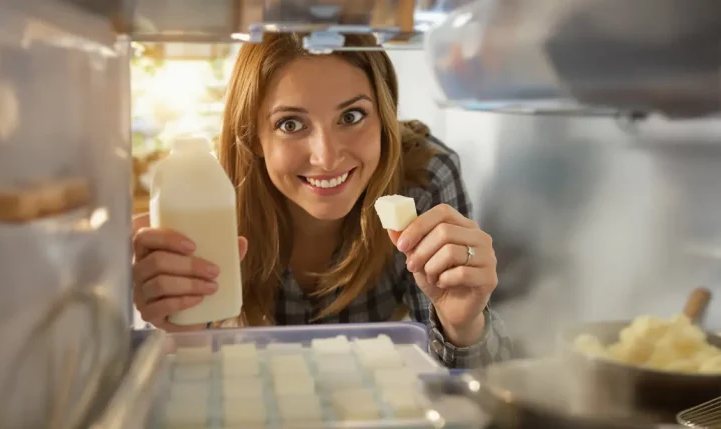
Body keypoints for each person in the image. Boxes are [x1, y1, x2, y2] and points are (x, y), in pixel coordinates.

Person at [132, 33, 513, 368]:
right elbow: (193, 377)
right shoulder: (210, 195)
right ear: (253, 138)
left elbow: (468, 390)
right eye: (291, 124)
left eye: (351, 116)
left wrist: (464, 326)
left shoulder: (425, 178)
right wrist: (182, 331)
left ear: (384, 117)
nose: (327, 157)